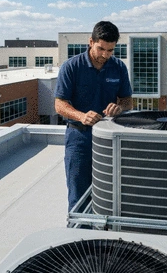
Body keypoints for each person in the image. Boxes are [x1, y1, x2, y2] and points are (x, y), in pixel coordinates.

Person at [54, 21, 133, 211]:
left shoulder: (118, 67)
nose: (105, 55)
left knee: (110, 193)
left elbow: (127, 100)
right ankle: (79, 236)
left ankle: (104, 237)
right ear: (91, 41)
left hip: (109, 139)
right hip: (79, 139)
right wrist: (81, 116)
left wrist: (119, 107)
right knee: (78, 195)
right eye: (101, 49)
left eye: (111, 50)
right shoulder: (71, 67)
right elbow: (59, 104)